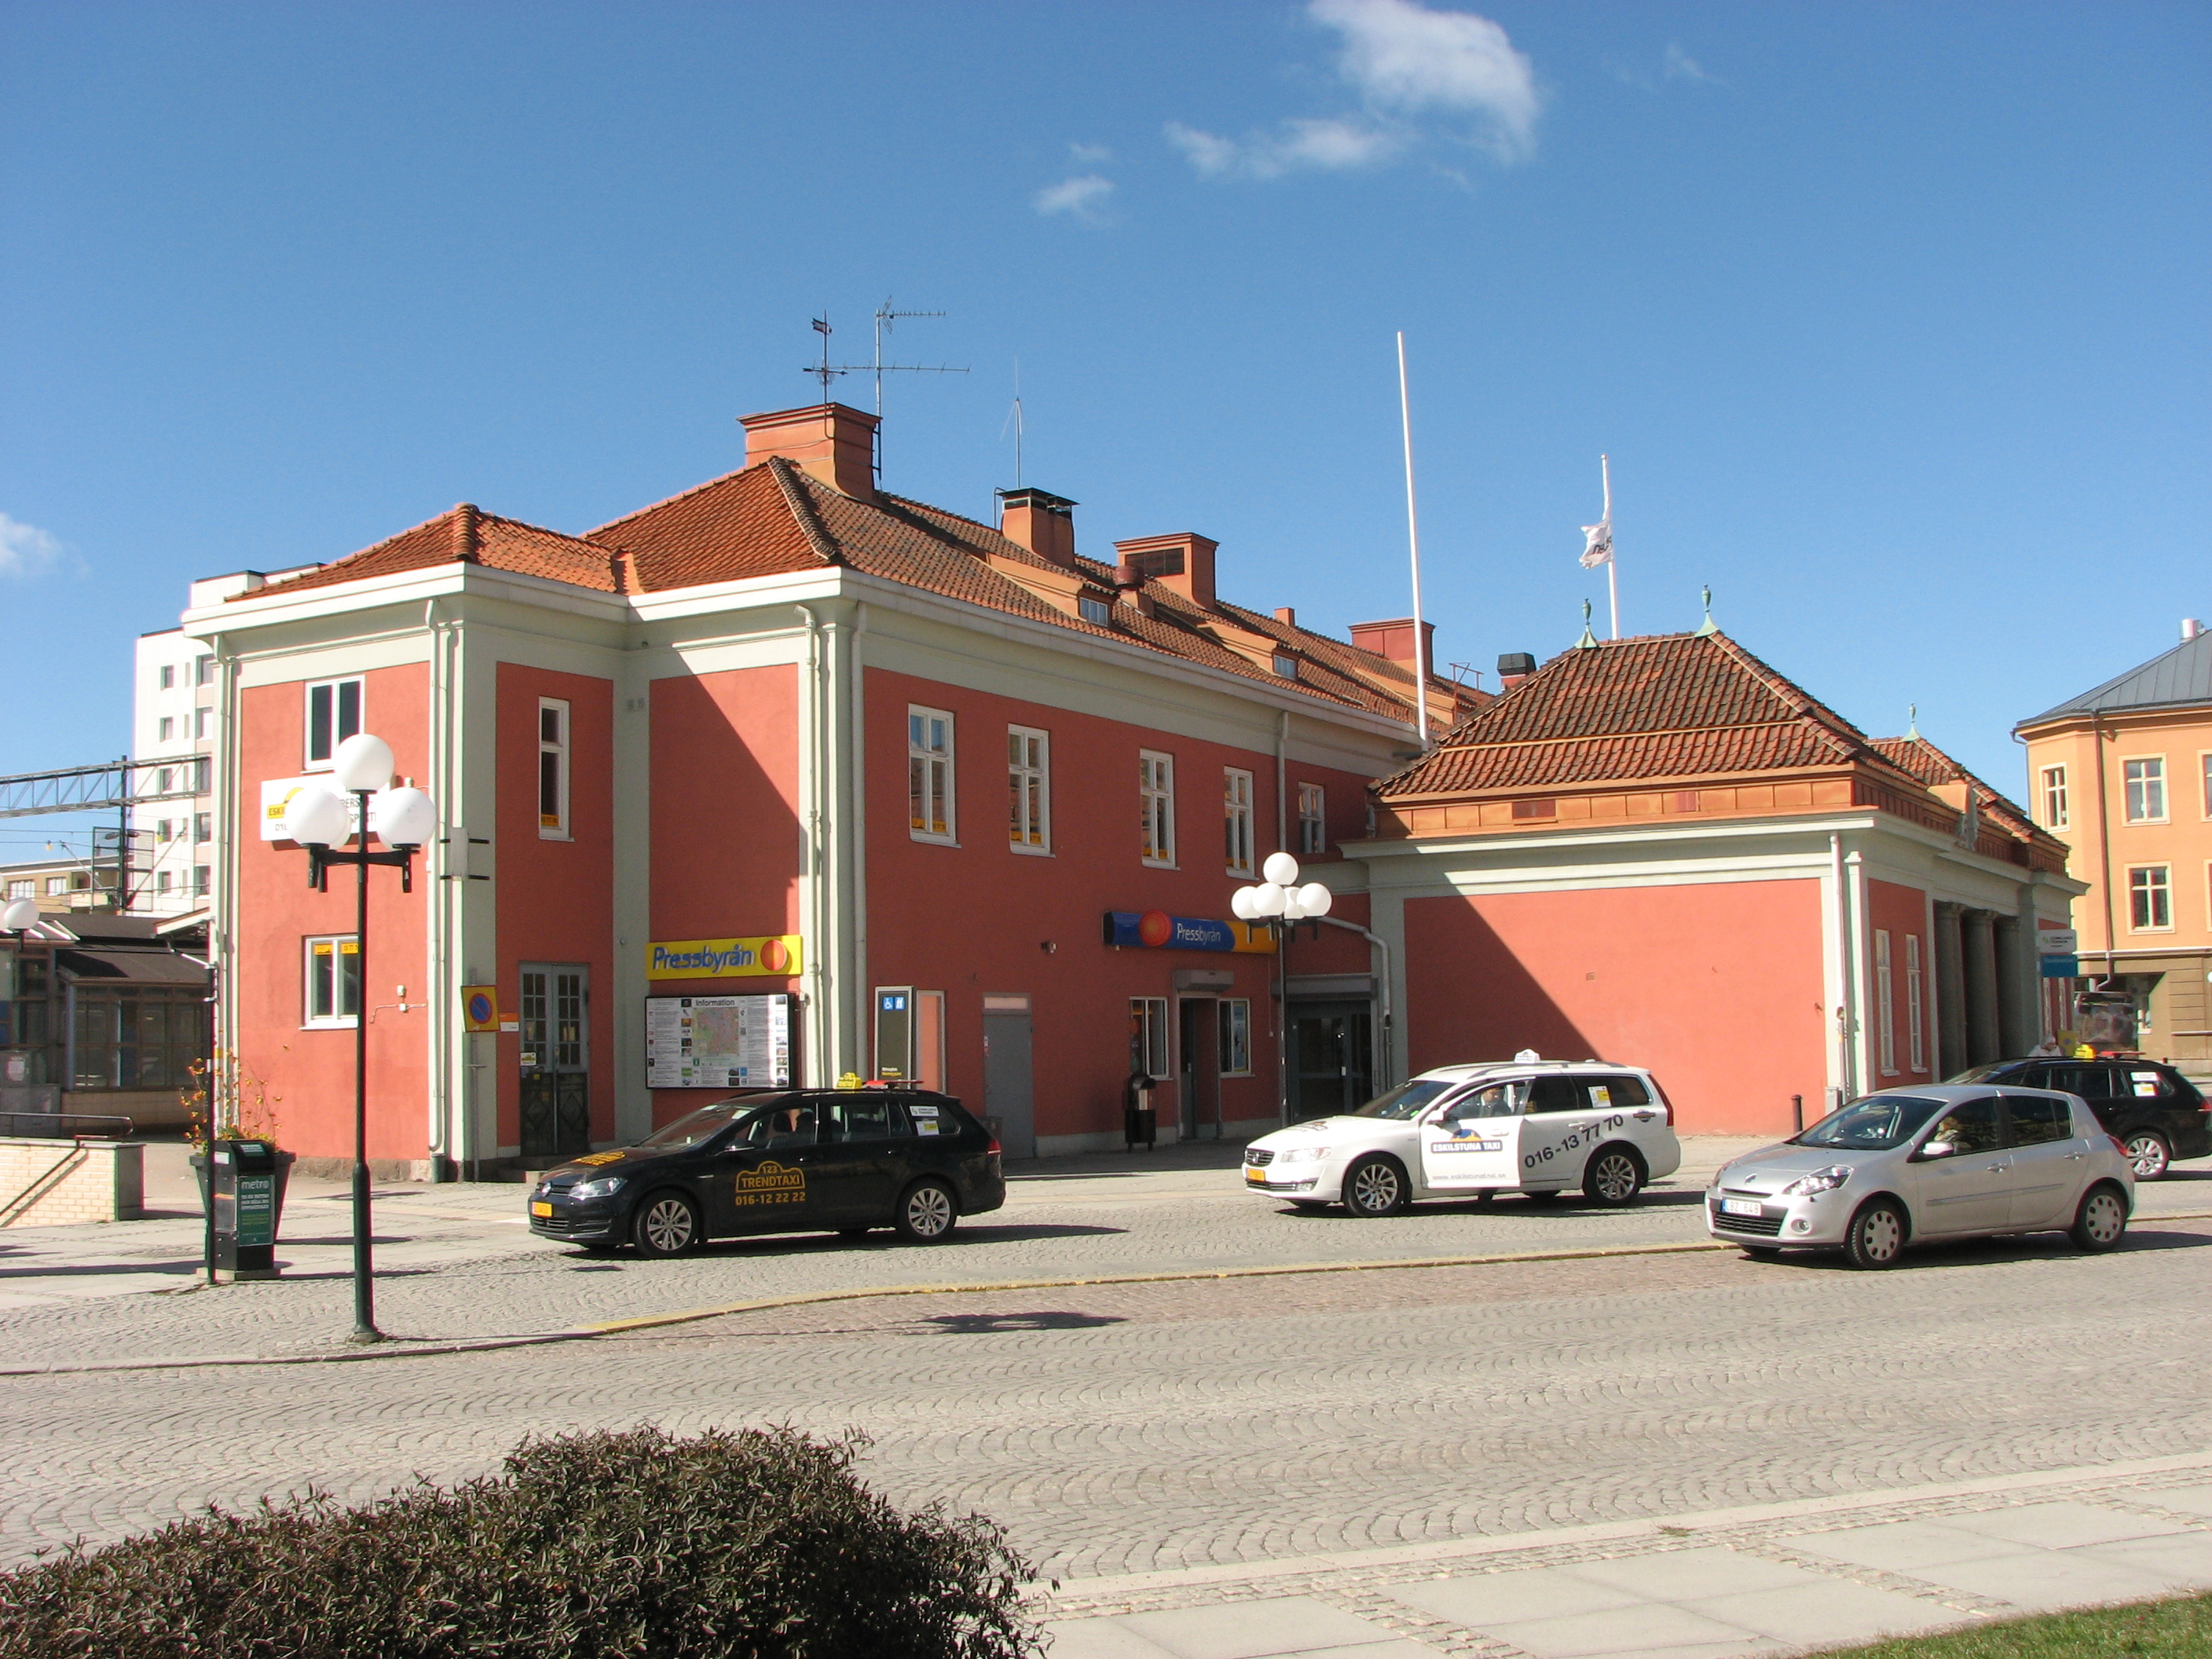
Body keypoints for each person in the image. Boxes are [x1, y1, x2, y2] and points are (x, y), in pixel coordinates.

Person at [1123, 1068, 1157, 1152]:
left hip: (1145, 1108)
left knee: (1147, 1120)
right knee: (1134, 1123)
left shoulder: (1138, 1082)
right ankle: (1146, 1144)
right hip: (1134, 1109)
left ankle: (1148, 1143)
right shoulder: (1133, 1085)